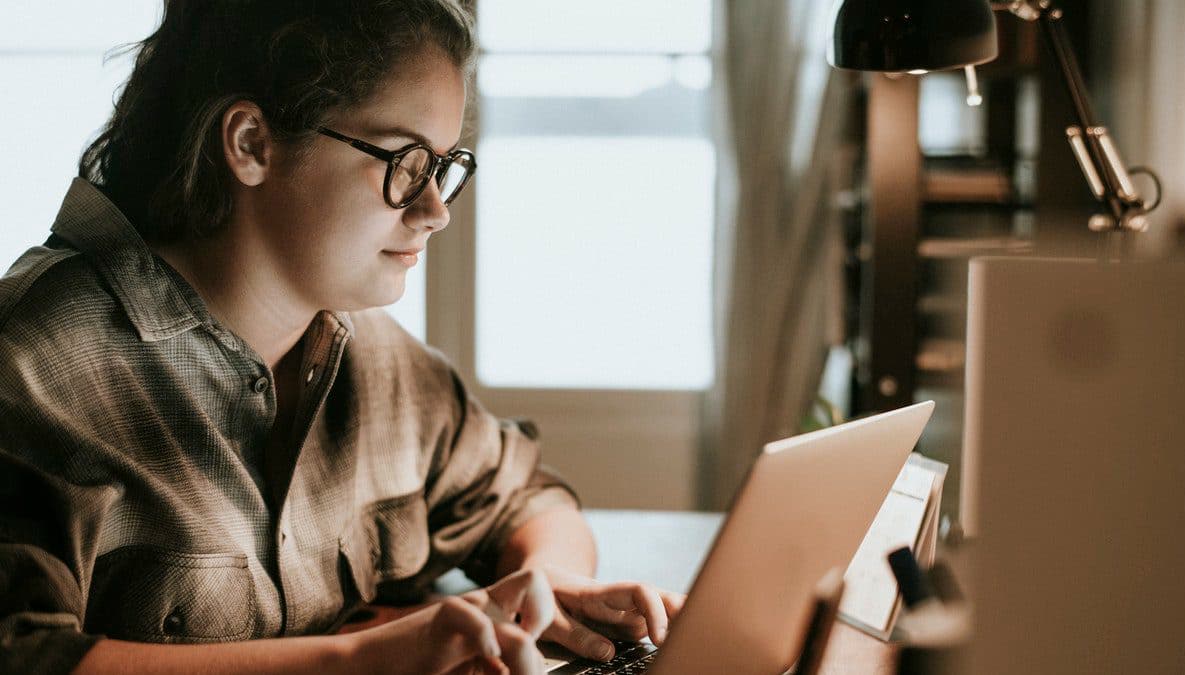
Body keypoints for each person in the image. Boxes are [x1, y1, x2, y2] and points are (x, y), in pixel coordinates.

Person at [0, 2, 684, 673]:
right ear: (250, 144)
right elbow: (24, 652)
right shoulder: (32, 364)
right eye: (405, 161)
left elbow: (526, 497)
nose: (435, 210)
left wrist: (547, 586)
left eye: (443, 166)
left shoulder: (381, 361)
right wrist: (361, 660)